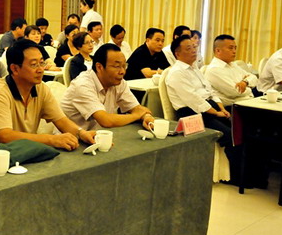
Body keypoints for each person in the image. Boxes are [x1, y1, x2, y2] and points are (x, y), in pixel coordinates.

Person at [0, 39, 96, 150]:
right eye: (34, 65)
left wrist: (81, 133)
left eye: (41, 63)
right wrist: (52, 139)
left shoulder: (41, 88)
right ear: (15, 69)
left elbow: (61, 120)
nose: (40, 69)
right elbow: (5, 136)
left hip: (24, 153)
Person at [165, 35, 242, 181]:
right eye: (189, 48)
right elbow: (193, 100)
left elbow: (210, 91)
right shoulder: (176, 73)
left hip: (209, 108)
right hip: (191, 114)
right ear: (177, 54)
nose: (194, 50)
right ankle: (234, 177)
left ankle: (243, 171)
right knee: (227, 134)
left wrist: (221, 108)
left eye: (194, 47)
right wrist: (216, 113)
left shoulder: (195, 69)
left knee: (237, 129)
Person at [60, 44, 155, 131]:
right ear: (99, 67)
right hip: (71, 139)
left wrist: (146, 117)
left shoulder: (118, 82)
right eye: (117, 66)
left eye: (124, 66)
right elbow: (105, 120)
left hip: (99, 135)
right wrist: (137, 116)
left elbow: (136, 108)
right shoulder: (82, 85)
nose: (122, 71)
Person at [205, 34, 258, 107]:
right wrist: (250, 88)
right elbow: (235, 91)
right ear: (218, 50)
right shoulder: (214, 69)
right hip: (233, 107)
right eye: (231, 48)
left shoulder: (233, 65)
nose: (234, 51)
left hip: (248, 102)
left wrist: (245, 82)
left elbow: (254, 77)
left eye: (235, 48)